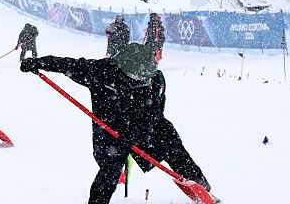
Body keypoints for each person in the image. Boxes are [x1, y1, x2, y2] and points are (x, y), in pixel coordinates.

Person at [20, 43, 212, 204]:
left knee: (169, 139)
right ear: (122, 67)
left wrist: (136, 133)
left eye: (146, 77)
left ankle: (201, 187)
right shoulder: (101, 71)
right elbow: (67, 64)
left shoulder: (155, 80)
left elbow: (155, 113)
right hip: (110, 130)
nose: (143, 82)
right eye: (137, 78)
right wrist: (38, 62)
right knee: (110, 169)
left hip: (144, 126)